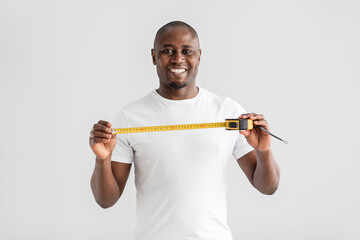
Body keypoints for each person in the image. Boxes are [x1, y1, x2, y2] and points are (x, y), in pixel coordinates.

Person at [89, 21, 280, 240]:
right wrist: (102, 160)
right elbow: (106, 200)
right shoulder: (130, 117)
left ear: (199, 56)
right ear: (153, 56)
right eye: (167, 50)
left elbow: (268, 187)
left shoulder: (229, 112)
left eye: (186, 51)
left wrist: (264, 151)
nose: (177, 59)